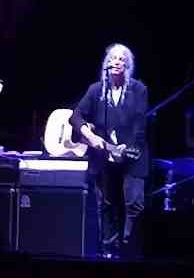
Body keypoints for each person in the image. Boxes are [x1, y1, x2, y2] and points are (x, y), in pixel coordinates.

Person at [69, 43, 148, 259]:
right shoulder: (96, 90)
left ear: (128, 65)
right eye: (113, 58)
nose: (117, 61)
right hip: (104, 158)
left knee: (134, 204)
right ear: (107, 64)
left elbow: (140, 126)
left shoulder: (138, 89)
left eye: (122, 59)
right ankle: (108, 251)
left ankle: (130, 247)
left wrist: (126, 147)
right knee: (106, 204)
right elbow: (75, 116)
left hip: (132, 156)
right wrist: (90, 135)